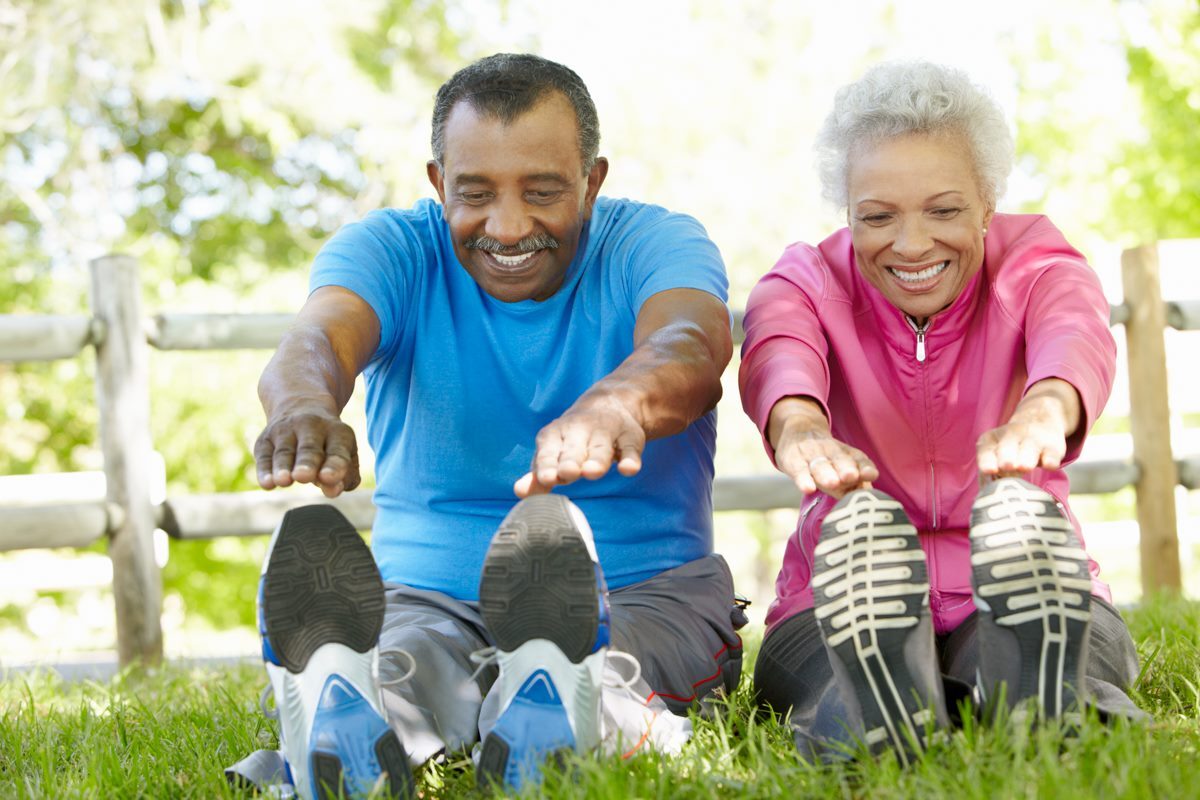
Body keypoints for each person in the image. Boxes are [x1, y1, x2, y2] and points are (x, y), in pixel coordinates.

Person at [230, 53, 745, 799]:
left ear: (592, 182)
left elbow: (691, 346)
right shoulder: (391, 250)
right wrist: (304, 405)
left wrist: (619, 402)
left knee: (606, 668)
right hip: (428, 596)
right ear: (438, 183)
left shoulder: (656, 243)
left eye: (542, 192)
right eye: (475, 194)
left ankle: (566, 698)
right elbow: (318, 338)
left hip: (640, 588)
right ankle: (352, 712)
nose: (508, 226)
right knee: (406, 666)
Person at [739, 60, 1143, 763]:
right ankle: (908, 702)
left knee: (1045, 653)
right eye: (878, 217)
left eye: (945, 210)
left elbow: (1075, 329)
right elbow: (778, 349)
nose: (913, 243)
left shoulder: (1035, 264)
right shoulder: (807, 280)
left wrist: (1047, 407)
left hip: (1018, 577)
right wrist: (799, 423)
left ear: (989, 202)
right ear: (848, 213)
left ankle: (1018, 695)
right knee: (834, 679)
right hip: (836, 597)